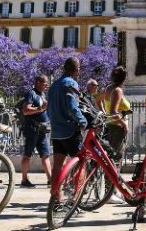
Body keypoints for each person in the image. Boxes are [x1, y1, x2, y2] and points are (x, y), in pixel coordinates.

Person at [47, 57, 88, 201]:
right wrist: (83, 122)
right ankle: (76, 200)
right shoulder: (71, 84)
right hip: (70, 131)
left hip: (56, 131)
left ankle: (56, 198)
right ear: (76, 70)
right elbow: (72, 108)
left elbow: (48, 108)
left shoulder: (53, 86)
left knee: (57, 165)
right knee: (81, 163)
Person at [20, 75, 52, 188]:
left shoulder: (42, 95)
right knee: (27, 155)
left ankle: (50, 179)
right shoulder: (31, 93)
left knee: (45, 155)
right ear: (38, 82)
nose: (47, 85)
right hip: (32, 129)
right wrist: (41, 108)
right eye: (45, 83)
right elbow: (25, 110)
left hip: (43, 130)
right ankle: (24, 180)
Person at [102, 66, 131, 161]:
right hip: (117, 128)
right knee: (115, 157)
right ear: (124, 78)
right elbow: (113, 111)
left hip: (109, 125)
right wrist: (124, 125)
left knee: (110, 157)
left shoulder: (108, 88)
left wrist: (104, 112)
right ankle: (110, 176)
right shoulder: (117, 91)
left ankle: (109, 176)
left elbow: (98, 100)